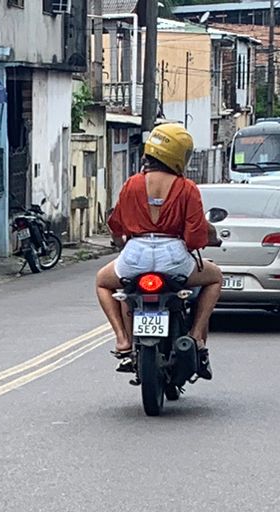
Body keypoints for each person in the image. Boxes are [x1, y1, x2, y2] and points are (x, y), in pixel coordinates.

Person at [95, 122, 223, 379]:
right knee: (215, 277)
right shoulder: (186, 188)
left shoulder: (132, 184)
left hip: (135, 255)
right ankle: (197, 336)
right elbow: (196, 234)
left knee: (103, 282)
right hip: (173, 257)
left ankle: (122, 339)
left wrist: (123, 244)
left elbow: (117, 224)